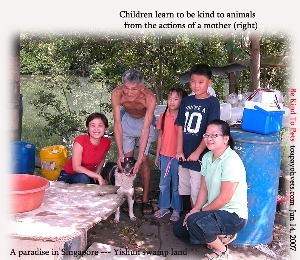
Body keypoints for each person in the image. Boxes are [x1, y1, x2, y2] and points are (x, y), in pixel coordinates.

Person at [173, 119, 248, 259]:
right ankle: (215, 236)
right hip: (213, 210)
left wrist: (199, 213)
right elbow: (203, 188)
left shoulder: (232, 161)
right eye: (206, 135)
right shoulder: (207, 157)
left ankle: (222, 251)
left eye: (214, 135)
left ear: (226, 139)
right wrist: (195, 209)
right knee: (179, 229)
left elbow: (224, 198)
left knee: (193, 221)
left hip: (232, 215)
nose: (209, 138)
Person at [111, 69, 157, 215]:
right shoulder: (117, 94)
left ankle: (145, 198)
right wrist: (119, 152)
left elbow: (145, 130)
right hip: (128, 121)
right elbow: (117, 124)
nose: (129, 93)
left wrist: (141, 155)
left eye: (134, 89)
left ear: (141, 88)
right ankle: (131, 195)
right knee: (127, 160)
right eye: (126, 88)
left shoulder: (149, 98)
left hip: (145, 123)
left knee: (142, 161)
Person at [175, 64, 220, 208]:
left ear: (209, 83)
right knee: (186, 188)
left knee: (198, 189)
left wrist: (197, 152)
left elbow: (211, 131)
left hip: (201, 156)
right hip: (185, 154)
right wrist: (179, 150)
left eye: (201, 82)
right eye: (193, 81)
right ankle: (190, 218)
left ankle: (196, 222)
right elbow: (180, 126)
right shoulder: (187, 101)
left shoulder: (213, 102)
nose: (196, 85)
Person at [154, 87, 188, 222]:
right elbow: (160, 137)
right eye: (169, 98)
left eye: (176, 98)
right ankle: (163, 207)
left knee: (177, 185)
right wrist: (157, 155)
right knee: (163, 183)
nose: (172, 101)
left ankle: (177, 209)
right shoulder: (163, 116)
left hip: (177, 157)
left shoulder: (184, 117)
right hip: (164, 155)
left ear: (182, 100)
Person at [57, 112, 111, 184]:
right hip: (68, 175)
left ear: (105, 128)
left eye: (100, 126)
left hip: (87, 175)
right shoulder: (80, 141)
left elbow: (102, 159)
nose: (96, 129)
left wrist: (97, 174)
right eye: (92, 125)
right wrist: (97, 176)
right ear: (87, 128)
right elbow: (76, 167)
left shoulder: (106, 142)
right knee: (83, 178)